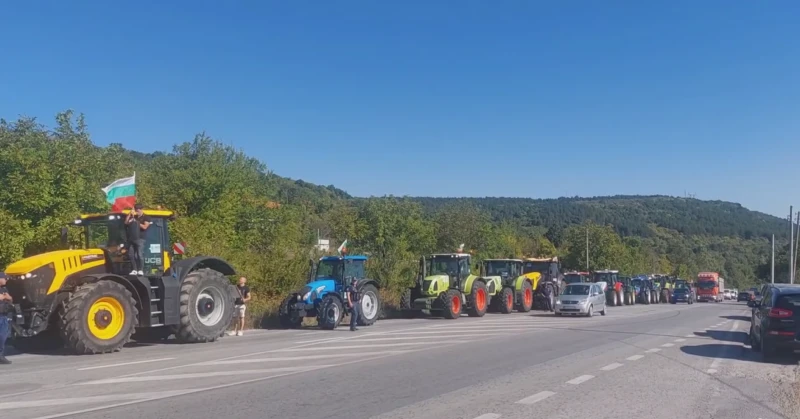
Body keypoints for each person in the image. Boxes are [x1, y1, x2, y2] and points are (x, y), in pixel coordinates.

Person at [125, 204, 151, 276]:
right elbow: (126, 222)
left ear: (141, 209)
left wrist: (136, 222)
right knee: (131, 254)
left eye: (138, 210)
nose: (137, 212)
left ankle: (141, 269)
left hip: (140, 238)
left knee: (139, 254)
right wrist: (129, 214)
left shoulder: (146, 217)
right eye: (136, 210)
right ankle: (134, 269)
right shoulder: (134, 216)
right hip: (132, 238)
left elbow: (145, 227)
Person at [0, 273, 12, 365]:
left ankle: (1, 356)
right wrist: (3, 297)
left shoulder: (4, 289)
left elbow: (10, 299)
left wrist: (7, 297)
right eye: (5, 278)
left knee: (3, 336)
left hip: (4, 315)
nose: (6, 280)